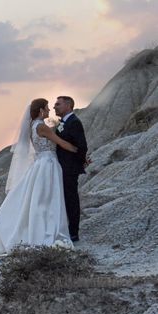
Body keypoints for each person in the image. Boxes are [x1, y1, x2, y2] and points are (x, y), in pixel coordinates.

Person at [0, 98, 78, 271]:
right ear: (40, 111)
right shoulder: (42, 127)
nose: (49, 110)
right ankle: (46, 231)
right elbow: (61, 143)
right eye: (46, 108)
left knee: (41, 199)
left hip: (42, 164)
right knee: (47, 199)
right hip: (48, 165)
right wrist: (79, 152)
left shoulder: (33, 126)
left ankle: (43, 227)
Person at [53, 96, 88, 242]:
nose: (55, 107)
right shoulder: (63, 123)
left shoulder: (74, 122)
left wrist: (80, 163)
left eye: (58, 104)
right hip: (62, 167)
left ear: (68, 105)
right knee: (65, 198)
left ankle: (74, 232)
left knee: (71, 199)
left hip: (69, 169)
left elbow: (82, 146)